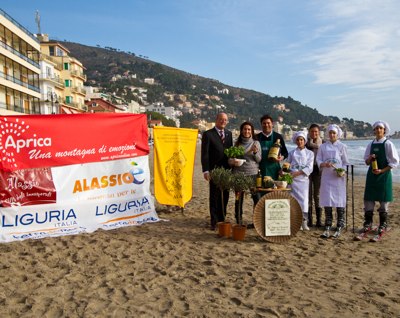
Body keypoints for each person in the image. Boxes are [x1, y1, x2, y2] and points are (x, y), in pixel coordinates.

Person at [362, 120, 399, 236]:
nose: (378, 130)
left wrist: (382, 170)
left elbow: (394, 162)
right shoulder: (370, 144)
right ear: (374, 131)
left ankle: (383, 224)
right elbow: (366, 162)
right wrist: (370, 158)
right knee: (368, 199)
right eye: (376, 128)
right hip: (372, 175)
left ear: (384, 130)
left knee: (383, 200)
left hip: (384, 176)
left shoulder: (388, 144)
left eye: (380, 128)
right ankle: (368, 222)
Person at [316, 124, 349, 239]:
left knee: (339, 198)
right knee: (327, 198)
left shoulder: (342, 146)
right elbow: (318, 159)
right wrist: (324, 164)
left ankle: (340, 223)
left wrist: (342, 171)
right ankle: (328, 222)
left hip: (338, 177)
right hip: (326, 176)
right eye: (330, 133)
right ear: (327, 134)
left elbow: (345, 162)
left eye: (334, 133)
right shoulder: (323, 146)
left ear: (337, 134)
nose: (332, 135)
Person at [201, 112, 233, 230]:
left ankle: (222, 218)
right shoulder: (208, 134)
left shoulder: (229, 134)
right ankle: (214, 221)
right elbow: (204, 154)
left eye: (225, 120)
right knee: (214, 196)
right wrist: (205, 170)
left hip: (226, 171)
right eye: (221, 119)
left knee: (225, 195)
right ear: (216, 120)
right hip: (214, 170)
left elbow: (231, 152)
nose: (223, 121)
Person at [229, 121, 261, 225]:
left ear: (252, 131)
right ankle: (239, 220)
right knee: (239, 198)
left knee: (256, 198)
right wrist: (232, 161)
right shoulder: (237, 144)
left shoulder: (256, 143)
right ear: (241, 131)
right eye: (245, 129)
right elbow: (231, 158)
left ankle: (256, 221)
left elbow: (259, 159)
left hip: (252, 173)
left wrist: (255, 152)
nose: (247, 131)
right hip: (238, 173)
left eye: (249, 129)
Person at [285, 131, 314, 231]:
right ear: (295, 141)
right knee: (293, 201)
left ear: (305, 141)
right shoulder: (291, 153)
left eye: (301, 139)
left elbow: (309, 168)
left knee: (304, 201)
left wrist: (297, 173)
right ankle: (295, 222)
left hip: (303, 181)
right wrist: (284, 171)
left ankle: (304, 222)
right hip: (292, 181)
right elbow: (287, 165)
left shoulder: (310, 153)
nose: (300, 141)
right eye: (298, 140)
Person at [257, 115, 288, 180]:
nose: (266, 125)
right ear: (261, 125)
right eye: (264, 123)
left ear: (272, 124)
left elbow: (285, 153)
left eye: (268, 123)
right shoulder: (257, 137)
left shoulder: (278, 136)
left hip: (274, 170)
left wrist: (281, 158)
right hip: (260, 169)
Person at [306, 124, 323, 227]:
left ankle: (319, 220)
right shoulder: (306, 144)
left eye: (316, 131)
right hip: (308, 170)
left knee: (317, 195)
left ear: (319, 132)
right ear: (309, 132)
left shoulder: (323, 144)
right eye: (312, 131)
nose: (314, 133)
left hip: (318, 170)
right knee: (308, 195)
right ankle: (309, 219)